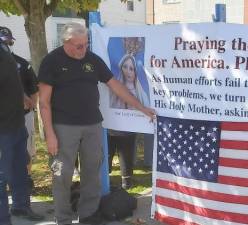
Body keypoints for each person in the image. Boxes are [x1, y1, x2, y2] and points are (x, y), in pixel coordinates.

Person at [38, 22, 155, 225]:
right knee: (62, 174)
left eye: (86, 44)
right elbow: (44, 102)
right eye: (78, 46)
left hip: (92, 126)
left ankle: (88, 216)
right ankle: (63, 218)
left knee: (92, 173)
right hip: (64, 127)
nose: (83, 49)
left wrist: (142, 107)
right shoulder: (51, 61)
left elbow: (116, 86)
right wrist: (49, 133)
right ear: (66, 42)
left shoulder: (92, 59)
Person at [0, 28, 43, 225]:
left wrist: (23, 96)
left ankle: (21, 206)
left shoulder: (6, 53)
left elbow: (12, 80)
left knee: (19, 168)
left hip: (17, 123)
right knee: (2, 176)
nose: (9, 44)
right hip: (3, 129)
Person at [108, 53, 150, 189]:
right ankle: (105, 180)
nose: (128, 71)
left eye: (131, 68)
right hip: (110, 128)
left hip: (127, 131)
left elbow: (146, 107)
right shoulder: (113, 88)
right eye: (125, 67)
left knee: (126, 153)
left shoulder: (140, 92)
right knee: (107, 152)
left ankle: (127, 181)